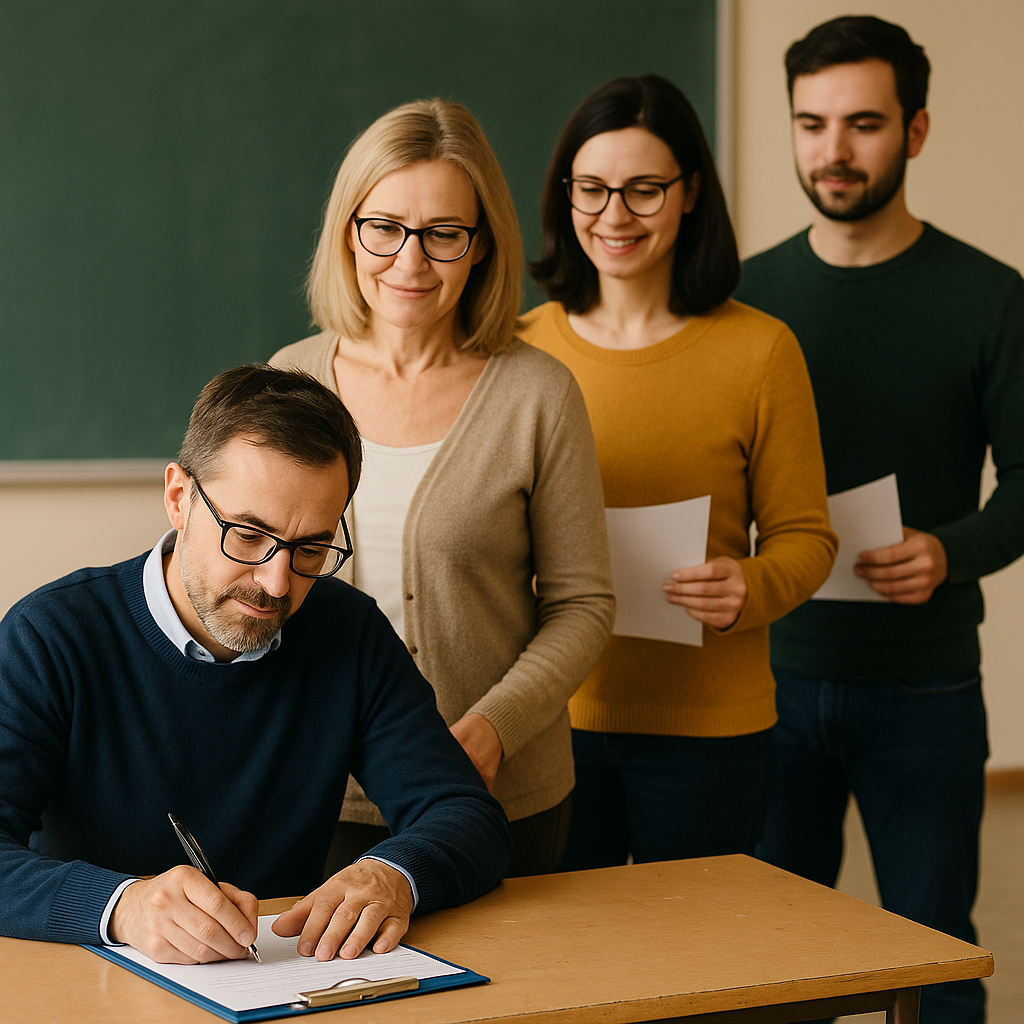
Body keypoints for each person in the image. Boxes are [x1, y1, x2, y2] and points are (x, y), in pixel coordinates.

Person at [0, 364, 511, 964]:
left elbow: (465, 814)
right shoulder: (51, 636)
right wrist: (123, 906)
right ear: (178, 498)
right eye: (247, 534)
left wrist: (392, 874)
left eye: (312, 549)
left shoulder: (349, 634)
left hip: (282, 984)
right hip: (88, 982)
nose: (276, 583)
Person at [733, 16, 1024, 1024]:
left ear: (918, 129)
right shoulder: (747, 295)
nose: (833, 150)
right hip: (770, 679)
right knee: (771, 958)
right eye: (810, 123)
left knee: (936, 951)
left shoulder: (989, 299)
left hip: (925, 687)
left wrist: (952, 550)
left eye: (862, 123)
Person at [270, 99, 614, 878]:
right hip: (317, 795)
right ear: (349, 227)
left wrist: (496, 725)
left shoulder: (540, 395)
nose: (410, 262)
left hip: (499, 796)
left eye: (443, 234)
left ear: (482, 244)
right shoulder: (288, 383)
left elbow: (584, 605)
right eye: (385, 227)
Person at [519, 75, 837, 869]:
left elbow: (807, 536)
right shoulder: (518, 350)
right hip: (552, 721)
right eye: (590, 189)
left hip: (712, 732)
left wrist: (748, 586)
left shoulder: (760, 350)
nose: (613, 215)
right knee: (571, 966)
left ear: (691, 192)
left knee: (703, 973)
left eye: (643, 190)